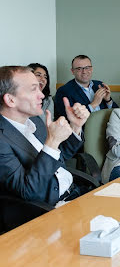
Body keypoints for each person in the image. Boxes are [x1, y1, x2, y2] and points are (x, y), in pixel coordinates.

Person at [0, 65, 93, 206]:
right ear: (10, 100)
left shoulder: (34, 120)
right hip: (49, 209)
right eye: (33, 89)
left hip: (76, 192)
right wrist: (52, 141)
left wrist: (76, 126)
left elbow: (60, 157)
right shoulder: (2, 139)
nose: (42, 95)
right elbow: (27, 190)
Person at [54, 55, 117, 119]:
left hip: (106, 126)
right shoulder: (63, 91)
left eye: (87, 68)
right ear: (73, 71)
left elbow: (117, 113)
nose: (84, 72)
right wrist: (93, 105)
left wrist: (108, 100)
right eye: (79, 69)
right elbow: (68, 119)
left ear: (92, 69)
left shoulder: (99, 85)